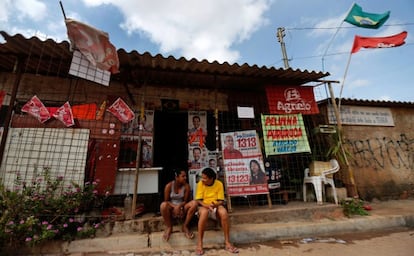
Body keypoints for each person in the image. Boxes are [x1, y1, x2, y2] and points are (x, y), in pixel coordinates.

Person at [195, 167, 239, 255]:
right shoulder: (200, 184)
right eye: (202, 177)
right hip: (204, 206)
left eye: (205, 178)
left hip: (215, 205)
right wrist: (208, 206)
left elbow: (221, 201)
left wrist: (214, 205)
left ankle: (227, 242)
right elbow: (199, 200)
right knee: (204, 213)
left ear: (211, 179)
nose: (202, 179)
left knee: (224, 213)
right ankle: (200, 244)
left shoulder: (219, 184)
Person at [160, 169, 198, 242]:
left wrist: (179, 206)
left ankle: (185, 225)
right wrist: (175, 207)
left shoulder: (186, 186)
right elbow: (166, 201)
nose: (185, 178)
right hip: (171, 207)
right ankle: (169, 227)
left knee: (194, 203)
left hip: (182, 207)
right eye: (183, 176)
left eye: (185, 176)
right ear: (176, 177)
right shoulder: (169, 186)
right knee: (163, 205)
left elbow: (185, 201)